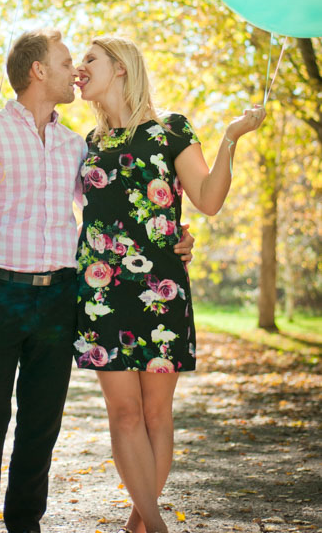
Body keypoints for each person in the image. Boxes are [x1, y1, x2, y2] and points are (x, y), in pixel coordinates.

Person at [0, 29, 195, 533]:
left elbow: (114, 206)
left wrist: (177, 236)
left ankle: (24, 525)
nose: (74, 71)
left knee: (41, 425)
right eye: (64, 62)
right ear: (38, 70)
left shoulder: (77, 145)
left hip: (60, 298)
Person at [72, 35, 266, 533]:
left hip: (160, 287)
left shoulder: (170, 130)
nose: (79, 67)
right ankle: (155, 526)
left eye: (89, 59)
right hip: (100, 294)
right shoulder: (89, 145)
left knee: (157, 415)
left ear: (119, 68)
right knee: (124, 414)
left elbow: (207, 198)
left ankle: (140, 522)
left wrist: (230, 137)